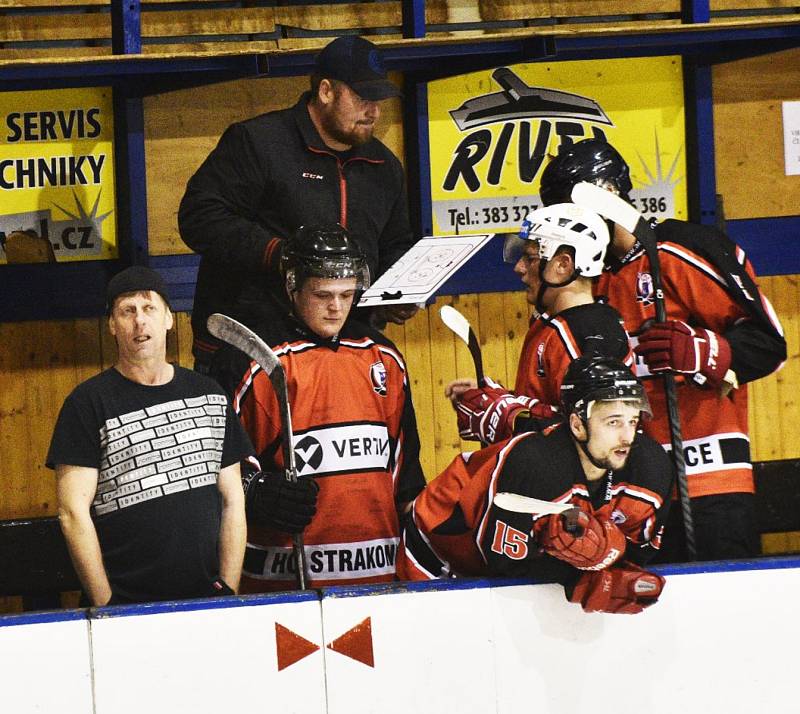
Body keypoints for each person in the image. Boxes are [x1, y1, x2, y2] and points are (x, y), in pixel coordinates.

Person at [539, 137, 787, 561]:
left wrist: (702, 351)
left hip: (709, 485)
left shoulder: (680, 249)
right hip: (626, 496)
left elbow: (769, 342)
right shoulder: (580, 277)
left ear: (608, 196)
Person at [179, 34, 418, 374]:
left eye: (380, 98)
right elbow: (199, 218)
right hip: (247, 350)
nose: (374, 111)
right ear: (325, 91)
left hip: (343, 352)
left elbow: (395, 243)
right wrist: (281, 254)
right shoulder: (258, 143)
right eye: (363, 97)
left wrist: (400, 291)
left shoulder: (384, 167)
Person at [222, 223, 426, 591]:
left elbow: (404, 473)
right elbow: (219, 468)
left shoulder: (383, 357)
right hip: (284, 582)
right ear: (292, 286)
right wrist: (255, 491)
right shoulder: (253, 361)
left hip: (379, 572)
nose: (336, 308)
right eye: (322, 295)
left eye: (347, 296)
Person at [397, 355, 672, 615]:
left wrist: (609, 552)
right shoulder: (534, 464)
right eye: (613, 422)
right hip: (438, 550)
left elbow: (641, 552)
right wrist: (579, 579)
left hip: (503, 563)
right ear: (577, 425)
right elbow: (505, 565)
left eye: (633, 421)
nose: (628, 437)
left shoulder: (651, 467)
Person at [46, 266, 251, 606]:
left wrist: (227, 592)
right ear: (112, 325)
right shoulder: (87, 404)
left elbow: (232, 500)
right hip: (125, 605)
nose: (139, 321)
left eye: (149, 308)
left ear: (170, 318)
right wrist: (106, 605)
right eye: (127, 311)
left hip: (206, 602)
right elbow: (72, 511)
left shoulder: (211, 395)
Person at [446, 202, 633, 445]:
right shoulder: (552, 323)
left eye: (530, 258)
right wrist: (500, 398)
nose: (519, 268)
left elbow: (601, 438)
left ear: (563, 265)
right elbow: (557, 408)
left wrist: (508, 416)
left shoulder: (589, 333)